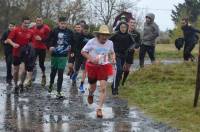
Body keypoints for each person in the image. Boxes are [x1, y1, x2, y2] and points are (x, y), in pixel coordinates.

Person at [81, 25, 115, 118]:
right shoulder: (91, 41)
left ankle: (99, 109)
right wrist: (91, 59)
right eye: (103, 35)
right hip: (92, 66)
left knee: (103, 88)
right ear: (98, 35)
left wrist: (113, 58)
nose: (104, 37)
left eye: (106, 35)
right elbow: (83, 51)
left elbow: (112, 52)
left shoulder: (110, 43)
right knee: (93, 87)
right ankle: (91, 93)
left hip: (104, 66)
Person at [47, 17, 73, 98]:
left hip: (63, 55)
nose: (63, 25)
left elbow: (73, 42)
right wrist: (50, 47)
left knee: (60, 73)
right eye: (61, 23)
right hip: (55, 54)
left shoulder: (69, 32)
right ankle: (51, 84)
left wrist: (71, 49)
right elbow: (48, 40)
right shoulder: (54, 30)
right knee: (53, 72)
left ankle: (58, 91)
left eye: (64, 23)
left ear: (67, 24)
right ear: (58, 23)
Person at [7, 16, 34, 93]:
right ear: (22, 22)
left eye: (28, 23)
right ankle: (15, 85)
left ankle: (21, 83)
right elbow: (9, 39)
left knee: (24, 70)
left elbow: (32, 42)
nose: (26, 24)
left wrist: (31, 49)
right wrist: (13, 44)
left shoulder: (30, 32)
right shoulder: (16, 30)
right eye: (25, 23)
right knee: (15, 71)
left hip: (25, 53)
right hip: (16, 53)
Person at [110, 22, 139, 95]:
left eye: (124, 27)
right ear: (119, 27)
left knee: (120, 71)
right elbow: (109, 41)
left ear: (126, 28)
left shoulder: (128, 35)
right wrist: (111, 50)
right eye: (121, 27)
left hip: (124, 55)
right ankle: (115, 88)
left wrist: (131, 48)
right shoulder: (116, 35)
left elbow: (134, 43)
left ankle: (114, 84)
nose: (123, 29)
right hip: (116, 54)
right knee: (119, 69)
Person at [31, 16, 51, 87]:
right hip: (34, 48)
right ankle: (30, 79)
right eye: (37, 20)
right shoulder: (33, 27)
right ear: (35, 21)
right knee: (32, 63)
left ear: (42, 21)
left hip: (42, 48)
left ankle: (43, 76)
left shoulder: (46, 28)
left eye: (40, 21)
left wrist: (41, 39)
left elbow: (49, 37)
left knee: (41, 64)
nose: (38, 22)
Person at [121, 18, 141, 86]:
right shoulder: (124, 31)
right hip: (122, 51)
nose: (132, 24)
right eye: (131, 22)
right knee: (121, 67)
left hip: (130, 52)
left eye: (134, 23)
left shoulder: (137, 33)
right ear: (128, 23)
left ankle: (123, 82)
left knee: (127, 69)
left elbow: (138, 43)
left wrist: (136, 47)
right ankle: (119, 78)